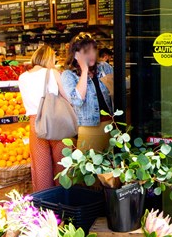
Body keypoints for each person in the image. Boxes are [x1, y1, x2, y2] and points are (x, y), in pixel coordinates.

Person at [18, 45, 67, 192]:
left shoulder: (22, 77)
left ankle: (45, 204)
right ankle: (63, 200)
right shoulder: (53, 73)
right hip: (55, 120)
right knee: (62, 163)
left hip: (35, 122)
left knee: (40, 168)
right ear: (49, 58)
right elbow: (68, 97)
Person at [61, 32, 115, 153]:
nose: (91, 54)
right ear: (76, 55)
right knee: (88, 167)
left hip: (111, 125)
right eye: (86, 51)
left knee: (112, 167)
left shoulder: (104, 67)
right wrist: (84, 70)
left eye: (93, 50)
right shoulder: (69, 75)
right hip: (89, 128)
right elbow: (77, 101)